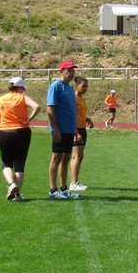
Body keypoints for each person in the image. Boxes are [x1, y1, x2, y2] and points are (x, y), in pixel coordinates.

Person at [0, 77, 41, 201]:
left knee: (6, 163)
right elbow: (36, 106)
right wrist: (29, 120)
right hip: (21, 131)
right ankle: (17, 195)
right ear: (19, 87)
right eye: (23, 88)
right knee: (19, 165)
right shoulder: (22, 98)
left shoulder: (1, 99)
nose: (23, 91)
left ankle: (11, 184)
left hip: (4, 131)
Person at [47, 61, 81, 200]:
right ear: (61, 71)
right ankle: (53, 190)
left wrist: (74, 129)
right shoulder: (55, 87)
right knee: (56, 157)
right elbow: (50, 108)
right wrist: (56, 128)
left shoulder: (70, 88)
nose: (71, 73)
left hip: (69, 129)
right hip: (60, 129)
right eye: (68, 70)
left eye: (73, 71)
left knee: (66, 158)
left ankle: (64, 188)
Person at [70, 76, 94, 192]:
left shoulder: (81, 98)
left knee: (77, 156)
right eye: (83, 86)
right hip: (77, 129)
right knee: (77, 156)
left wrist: (87, 119)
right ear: (77, 85)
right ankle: (73, 183)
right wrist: (76, 131)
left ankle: (74, 181)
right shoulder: (74, 98)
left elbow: (79, 114)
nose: (85, 88)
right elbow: (71, 115)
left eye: (87, 86)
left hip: (82, 128)